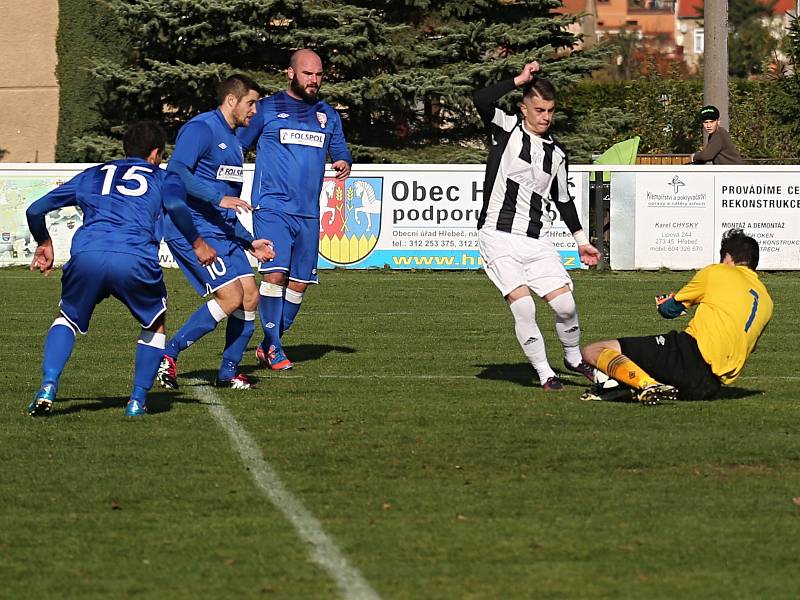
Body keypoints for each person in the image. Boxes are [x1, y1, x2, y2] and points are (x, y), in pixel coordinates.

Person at [26, 121, 217, 417]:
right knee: (154, 324)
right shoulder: (164, 177)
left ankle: (48, 386)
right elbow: (178, 208)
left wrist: (45, 242)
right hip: (134, 257)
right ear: (156, 153)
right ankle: (137, 400)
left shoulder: (93, 174)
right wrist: (198, 243)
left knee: (67, 318)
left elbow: (34, 210)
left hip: (87, 254)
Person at [472, 61, 602, 391]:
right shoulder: (506, 128)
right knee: (524, 306)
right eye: (539, 109)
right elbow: (481, 99)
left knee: (566, 305)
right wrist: (519, 80)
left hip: (536, 240)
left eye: (550, 111)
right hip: (497, 237)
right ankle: (546, 373)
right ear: (524, 108)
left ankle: (573, 357)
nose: (545, 117)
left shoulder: (556, 154)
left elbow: (563, 199)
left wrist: (581, 240)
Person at [156, 74, 275, 391]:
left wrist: (250, 242)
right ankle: (168, 355)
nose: (254, 111)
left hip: (221, 229)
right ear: (232, 100)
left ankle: (228, 371)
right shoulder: (201, 128)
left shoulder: (236, 143)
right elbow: (177, 172)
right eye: (251, 103)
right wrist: (214, 197)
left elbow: (226, 203)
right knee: (231, 296)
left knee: (250, 297)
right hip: (193, 227)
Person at [237, 49, 352, 370]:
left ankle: (267, 344)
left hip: (308, 212)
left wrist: (343, 161)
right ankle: (274, 348)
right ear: (290, 73)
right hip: (272, 207)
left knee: (299, 283)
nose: (314, 80)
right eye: (307, 74)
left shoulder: (328, 114)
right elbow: (237, 145)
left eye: (318, 74)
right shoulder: (267, 108)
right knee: (275, 274)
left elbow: (340, 149)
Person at [580, 229, 773, 405]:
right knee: (639, 364)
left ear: (728, 257)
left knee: (593, 351)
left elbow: (670, 310)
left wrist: (666, 302)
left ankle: (646, 384)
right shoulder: (766, 301)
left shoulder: (719, 271)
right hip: (708, 387)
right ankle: (625, 387)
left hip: (687, 356)